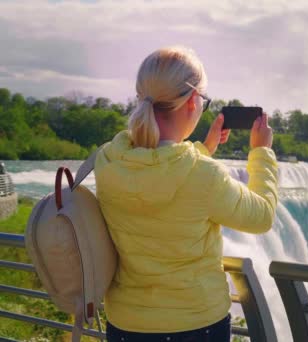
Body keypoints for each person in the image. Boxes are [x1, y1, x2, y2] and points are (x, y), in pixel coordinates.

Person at [94, 46, 278, 342]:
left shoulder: (108, 160)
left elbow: (157, 174)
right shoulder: (203, 174)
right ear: (193, 102)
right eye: (204, 101)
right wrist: (262, 152)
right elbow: (262, 216)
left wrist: (204, 149)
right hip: (196, 325)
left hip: (127, 325)